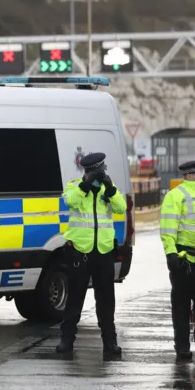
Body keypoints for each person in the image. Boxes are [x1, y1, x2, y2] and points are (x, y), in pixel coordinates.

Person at [56, 152, 125, 356]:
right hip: (80, 252)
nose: (100, 175)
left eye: (101, 171)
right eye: (96, 172)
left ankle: (110, 342)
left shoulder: (107, 190)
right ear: (87, 172)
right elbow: (69, 201)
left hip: (103, 252)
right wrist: (85, 186)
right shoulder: (74, 185)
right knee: (75, 299)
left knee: (106, 301)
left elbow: (120, 208)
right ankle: (67, 340)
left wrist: (111, 189)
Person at [160, 160, 195, 360]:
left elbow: (168, 229)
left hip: (183, 262)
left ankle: (183, 348)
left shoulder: (175, 195)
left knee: (181, 307)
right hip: (187, 261)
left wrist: (171, 254)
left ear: (186, 175)